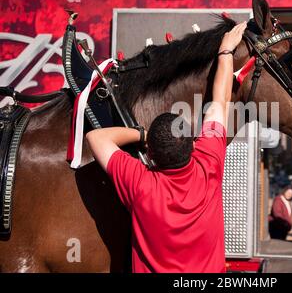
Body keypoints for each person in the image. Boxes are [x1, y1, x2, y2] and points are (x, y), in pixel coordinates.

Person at [86, 21, 248, 272]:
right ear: (192, 146)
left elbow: (96, 138)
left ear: (150, 155)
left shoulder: (140, 184)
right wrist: (225, 51)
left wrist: (143, 134)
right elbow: (220, 101)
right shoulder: (209, 164)